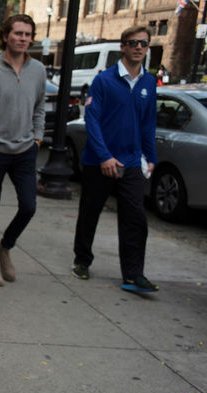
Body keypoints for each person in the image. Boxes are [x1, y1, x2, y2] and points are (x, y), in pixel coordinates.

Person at [71, 26, 159, 293]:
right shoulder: (104, 80)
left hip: (132, 162)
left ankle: (133, 275)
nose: (138, 47)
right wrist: (104, 156)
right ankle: (82, 261)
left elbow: (148, 124)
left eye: (143, 43)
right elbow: (93, 121)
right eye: (133, 43)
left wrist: (150, 157)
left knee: (135, 218)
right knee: (90, 213)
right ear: (123, 46)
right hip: (100, 161)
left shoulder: (149, 83)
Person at [0, 14, 46, 287]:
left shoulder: (39, 70)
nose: (23, 39)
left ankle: (5, 247)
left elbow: (40, 107)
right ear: (5, 36)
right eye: (18, 33)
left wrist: (38, 139)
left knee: (28, 206)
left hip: (25, 149)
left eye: (28, 34)